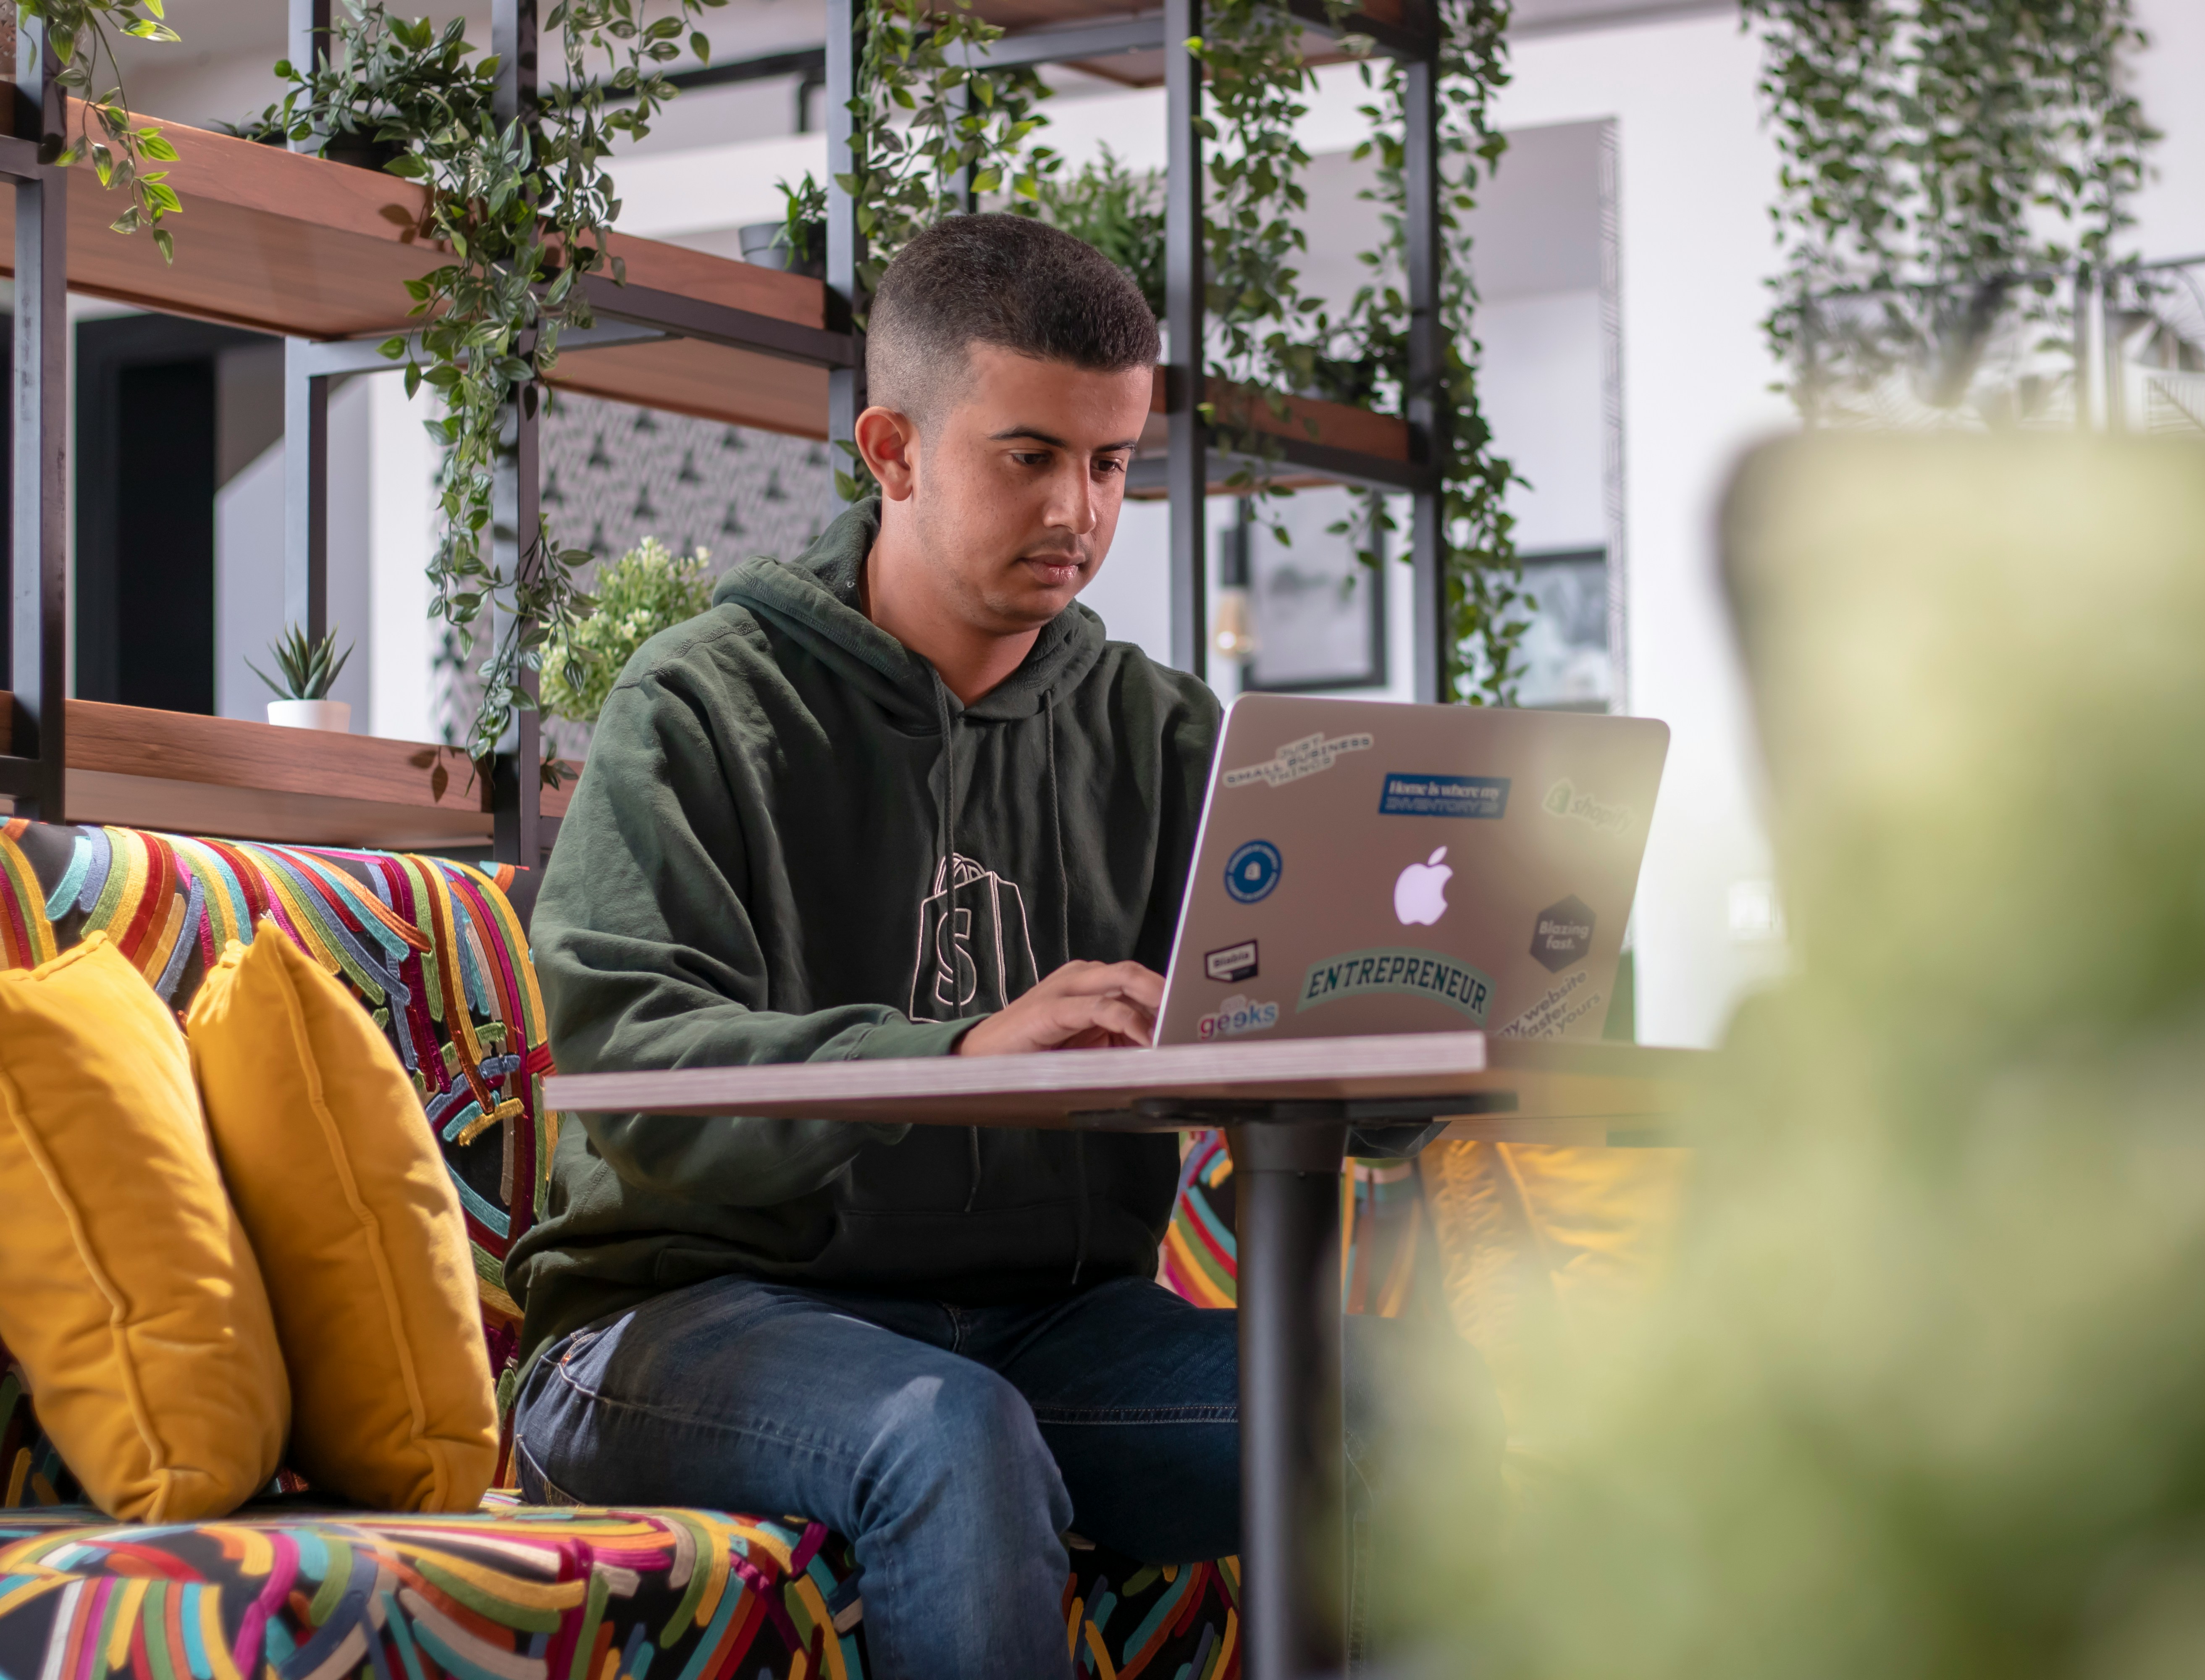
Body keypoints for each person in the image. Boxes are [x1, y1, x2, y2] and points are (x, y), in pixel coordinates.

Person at [506, 214, 1492, 1676]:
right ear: (892, 449)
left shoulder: (1166, 737)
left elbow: (1279, 1036)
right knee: (951, 1438)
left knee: (1402, 1400)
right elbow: (629, 1076)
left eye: (1112, 466)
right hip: (682, 1326)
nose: (1080, 514)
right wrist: (956, 1051)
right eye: (1029, 455)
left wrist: (1433, 1035)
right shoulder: (703, 705)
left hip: (1053, 1329)